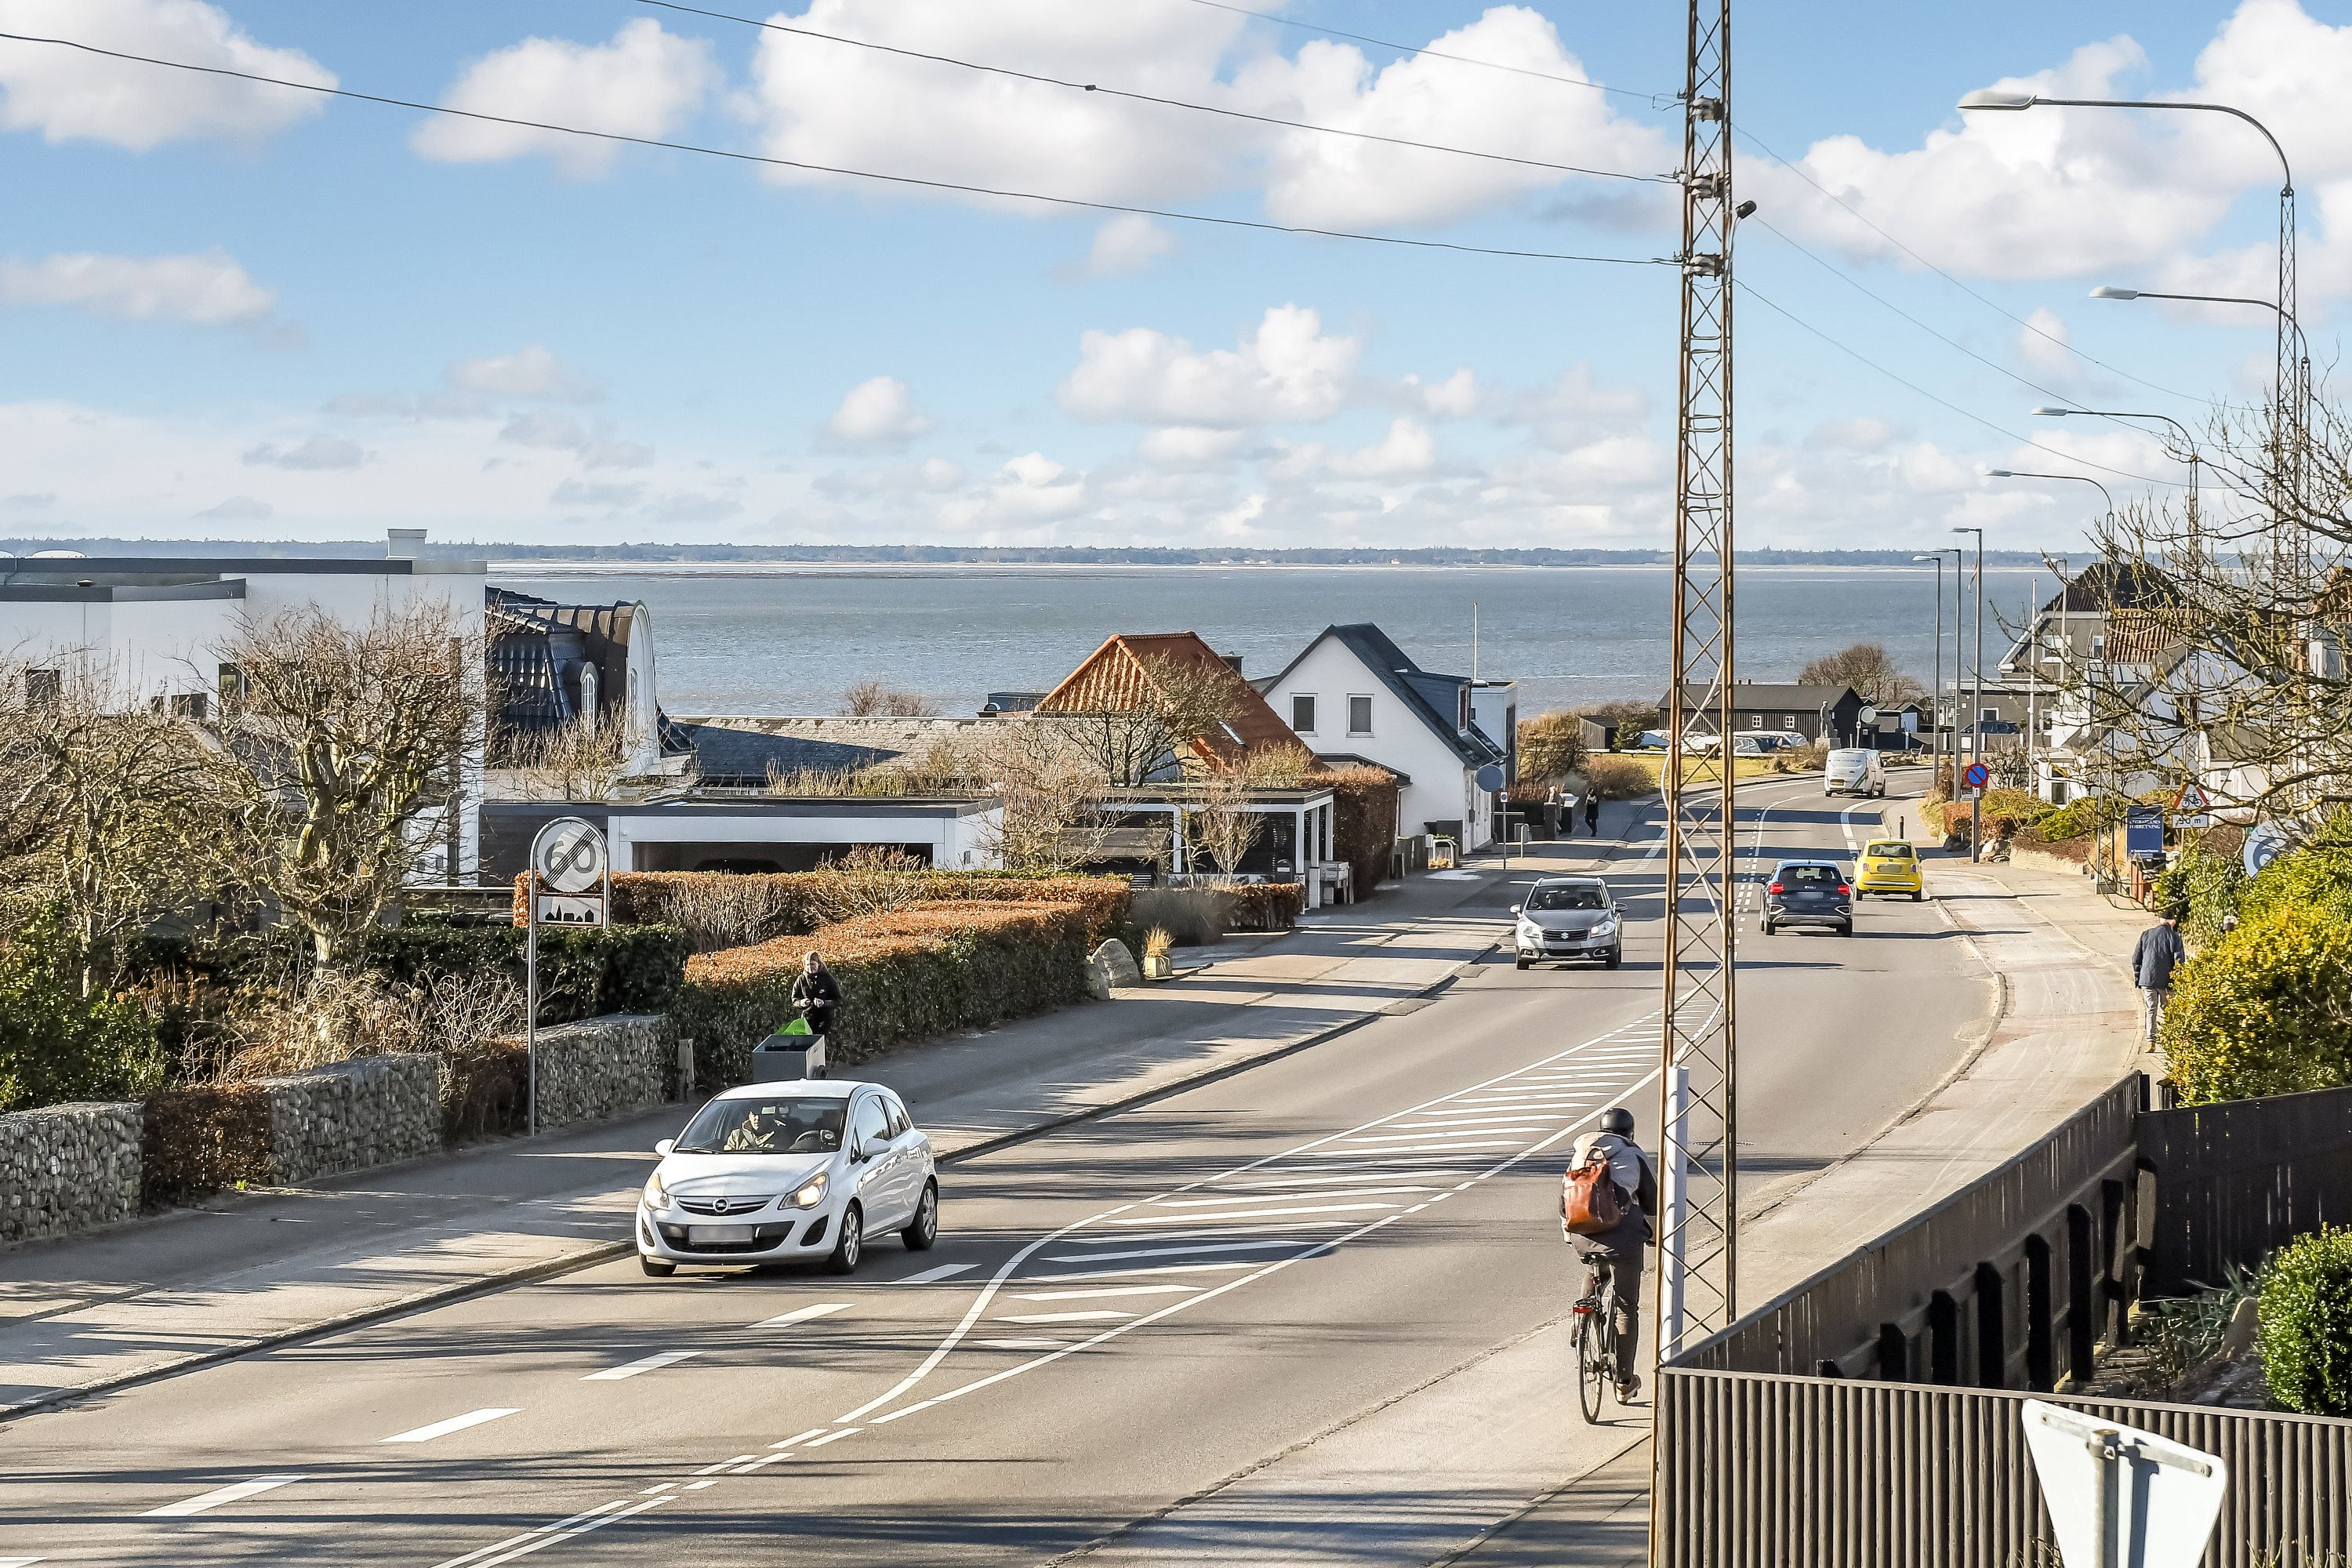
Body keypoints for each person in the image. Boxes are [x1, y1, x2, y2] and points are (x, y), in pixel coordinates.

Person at [1565, 1105, 1659, 1403]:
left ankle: (1582, 1316)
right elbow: (1652, 1203)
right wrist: (1655, 1237)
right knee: (1625, 1306)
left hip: (1582, 1233)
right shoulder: (1634, 1154)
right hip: (1624, 1239)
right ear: (1629, 1132)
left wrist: (1570, 1236)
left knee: (1595, 1269)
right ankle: (1624, 1381)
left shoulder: (1582, 1153)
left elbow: (1566, 1197)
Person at [2132, 909, 2187, 1050]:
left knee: (2151, 1010)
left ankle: (2151, 1041)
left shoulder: (2146, 934)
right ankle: (2173, 1040)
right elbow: (2179, 960)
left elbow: (2136, 959)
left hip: (2147, 979)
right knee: (2169, 1010)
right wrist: (2178, 980)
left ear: (2159, 920)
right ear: (2172, 922)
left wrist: (2138, 978)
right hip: (2166, 981)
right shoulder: (2175, 938)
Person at [789, 951, 842, 1037]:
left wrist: (824, 1003)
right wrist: (801, 1003)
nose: (810, 967)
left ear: (819, 964)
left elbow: (838, 1000)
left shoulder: (828, 979)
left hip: (824, 1018)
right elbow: (795, 999)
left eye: (812, 964)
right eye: (807, 965)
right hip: (808, 1018)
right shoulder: (801, 979)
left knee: (818, 1040)